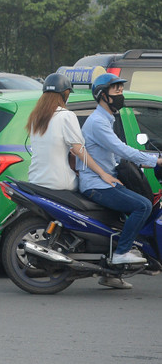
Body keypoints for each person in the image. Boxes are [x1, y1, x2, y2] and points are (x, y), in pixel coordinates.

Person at [77, 73, 162, 277]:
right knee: (142, 206)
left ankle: (112, 275)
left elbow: (115, 154)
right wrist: (155, 161)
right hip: (96, 183)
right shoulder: (98, 122)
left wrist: (152, 157)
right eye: (117, 91)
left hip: (106, 179)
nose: (120, 95)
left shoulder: (106, 119)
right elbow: (121, 149)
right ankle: (122, 253)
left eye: (121, 90)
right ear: (103, 95)